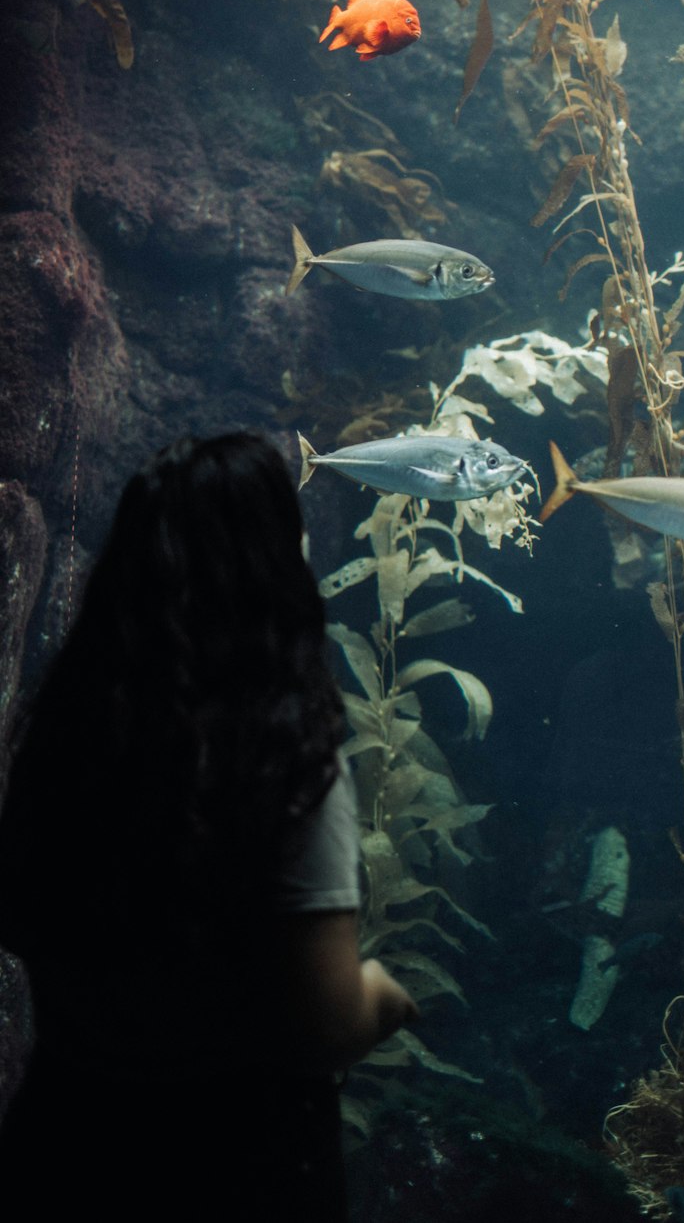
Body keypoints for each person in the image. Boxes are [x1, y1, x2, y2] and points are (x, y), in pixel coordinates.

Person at [0, 431, 418, 1219]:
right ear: (274, 569)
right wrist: (383, 997)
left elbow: (19, 915)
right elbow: (325, 1021)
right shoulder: (291, 756)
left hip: (68, 1141)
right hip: (239, 1161)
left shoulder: (66, 731)